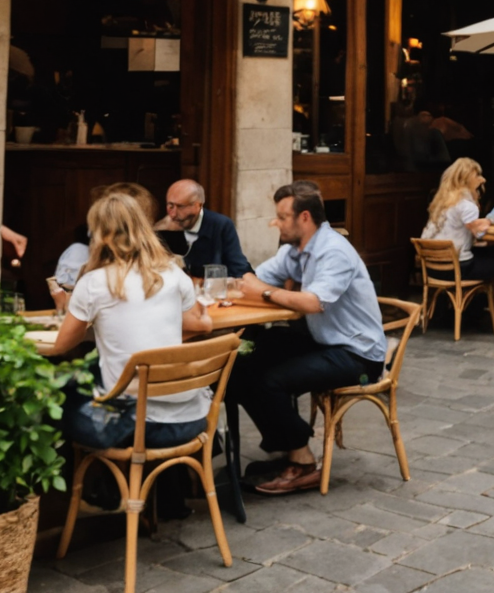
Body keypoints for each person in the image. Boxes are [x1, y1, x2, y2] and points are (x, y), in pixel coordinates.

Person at [233, 181, 388, 495]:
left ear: (304, 218)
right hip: (324, 340)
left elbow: (314, 302)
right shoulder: (295, 251)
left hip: (358, 355)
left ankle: (303, 462)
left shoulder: (334, 251)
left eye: (282, 217)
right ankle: (287, 446)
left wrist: (264, 292)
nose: (275, 223)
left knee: (270, 380)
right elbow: (256, 277)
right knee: (241, 361)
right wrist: (240, 283)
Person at [45, 190, 214, 456]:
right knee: (92, 378)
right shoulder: (173, 273)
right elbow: (194, 321)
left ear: (99, 235)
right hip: (191, 419)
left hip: (132, 426)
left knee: (51, 399)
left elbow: (62, 345)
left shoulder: (94, 282)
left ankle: (73, 480)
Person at [422, 158, 494, 282]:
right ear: (467, 180)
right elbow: (479, 233)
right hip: (456, 269)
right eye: (477, 175)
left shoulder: (441, 204)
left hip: (431, 269)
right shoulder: (468, 206)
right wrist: (492, 221)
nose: (483, 180)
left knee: (487, 253)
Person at [154, 179, 250, 277]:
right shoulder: (163, 229)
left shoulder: (221, 225)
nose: (173, 214)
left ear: (198, 206)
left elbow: (239, 268)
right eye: (170, 206)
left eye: (181, 207)